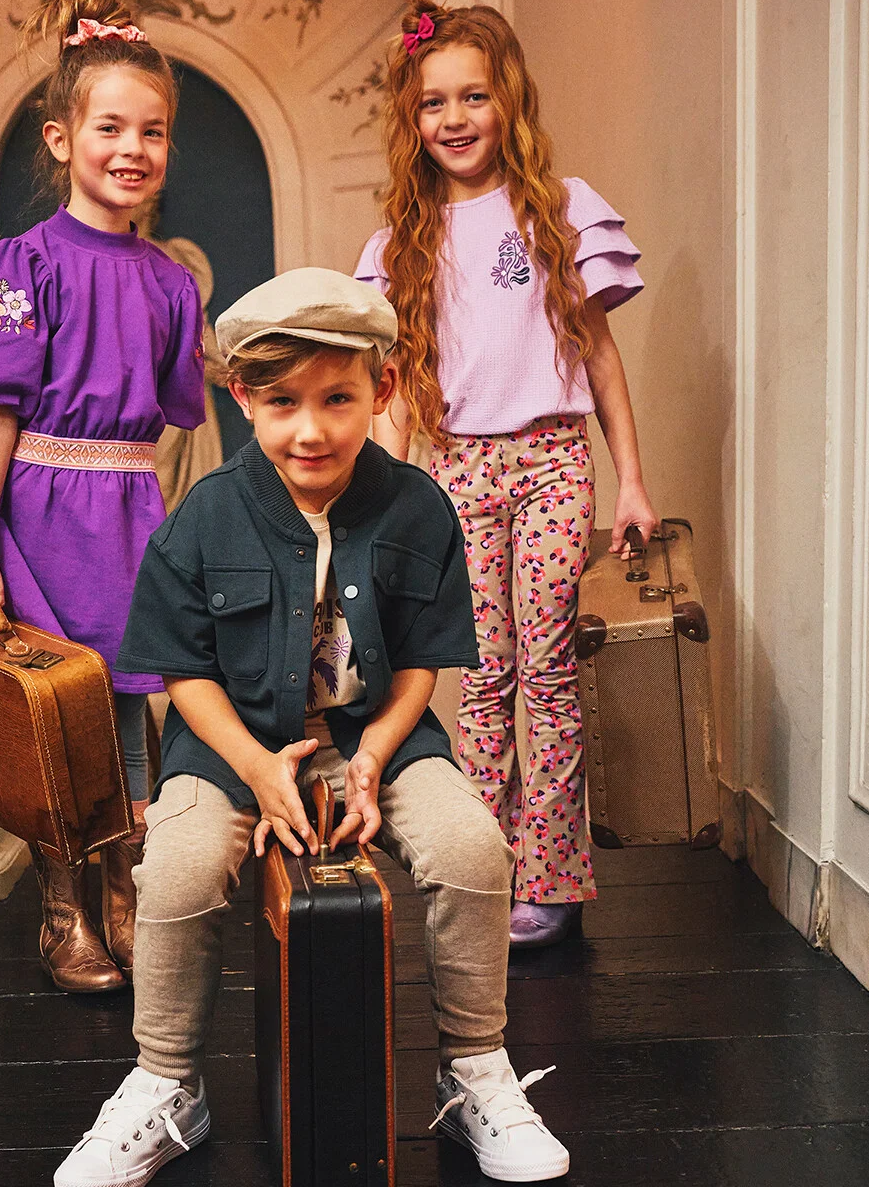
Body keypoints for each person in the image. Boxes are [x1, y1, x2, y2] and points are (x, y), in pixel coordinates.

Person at [52, 268, 571, 1186]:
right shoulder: (206, 515)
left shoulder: (417, 506)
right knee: (175, 871)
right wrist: (256, 768)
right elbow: (183, 672)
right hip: (230, 744)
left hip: (377, 737)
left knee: (474, 849)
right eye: (283, 402)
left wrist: (372, 757)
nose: (312, 430)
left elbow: (422, 663)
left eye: (339, 398)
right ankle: (166, 1081)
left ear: (383, 386)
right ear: (243, 398)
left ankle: (474, 1071)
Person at [357, 0, 659, 948]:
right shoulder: (399, 247)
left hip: (552, 462)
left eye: (474, 97)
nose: (454, 118)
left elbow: (600, 356)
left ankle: (553, 881)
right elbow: (394, 399)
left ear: (509, 100)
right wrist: (379, 509)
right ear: (412, 118)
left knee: (551, 675)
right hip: (454, 473)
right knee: (482, 678)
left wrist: (632, 482)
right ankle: (484, 870)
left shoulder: (557, 212)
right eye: (433, 102)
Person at [0, 0, 205, 991]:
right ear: (60, 138)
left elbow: (174, 413)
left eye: (153, 131)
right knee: (55, 713)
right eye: (110, 127)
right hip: (38, 517)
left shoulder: (172, 283)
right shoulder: (21, 265)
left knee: (130, 709)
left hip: (128, 517)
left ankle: (127, 897)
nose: (132, 148)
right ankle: (64, 914)